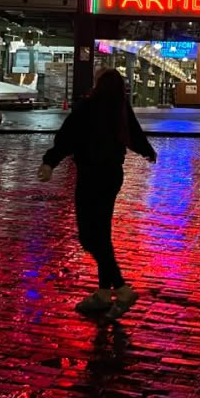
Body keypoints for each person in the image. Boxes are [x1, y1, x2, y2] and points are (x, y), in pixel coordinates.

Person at [38, 68, 157, 319]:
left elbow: (67, 137)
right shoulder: (120, 107)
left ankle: (121, 288)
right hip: (112, 175)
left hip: (91, 175)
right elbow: (134, 135)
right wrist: (148, 151)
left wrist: (50, 162)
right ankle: (104, 292)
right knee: (101, 234)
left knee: (89, 237)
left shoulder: (87, 107)